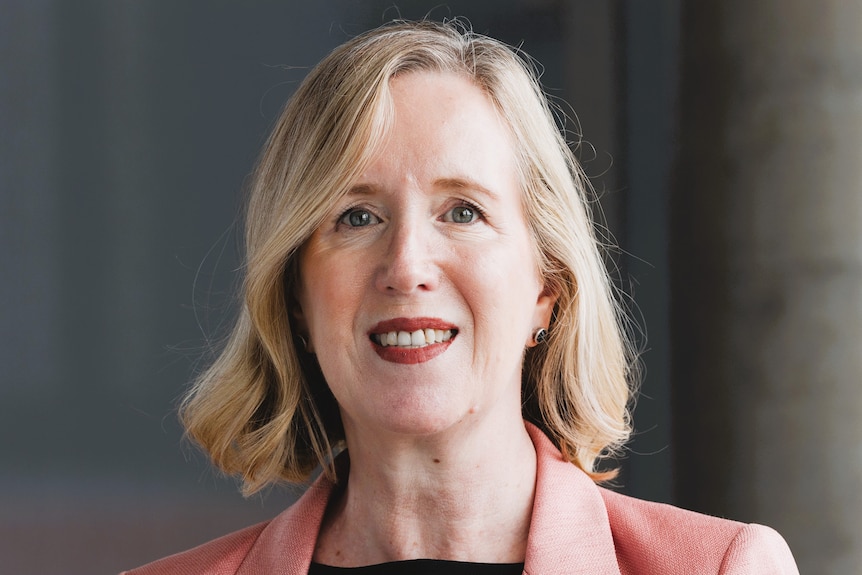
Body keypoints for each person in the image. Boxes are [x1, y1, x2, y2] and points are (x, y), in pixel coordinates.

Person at [124, 19, 798, 575]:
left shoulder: (724, 568)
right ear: (297, 296)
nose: (408, 265)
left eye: (463, 211)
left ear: (547, 289)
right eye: (356, 216)